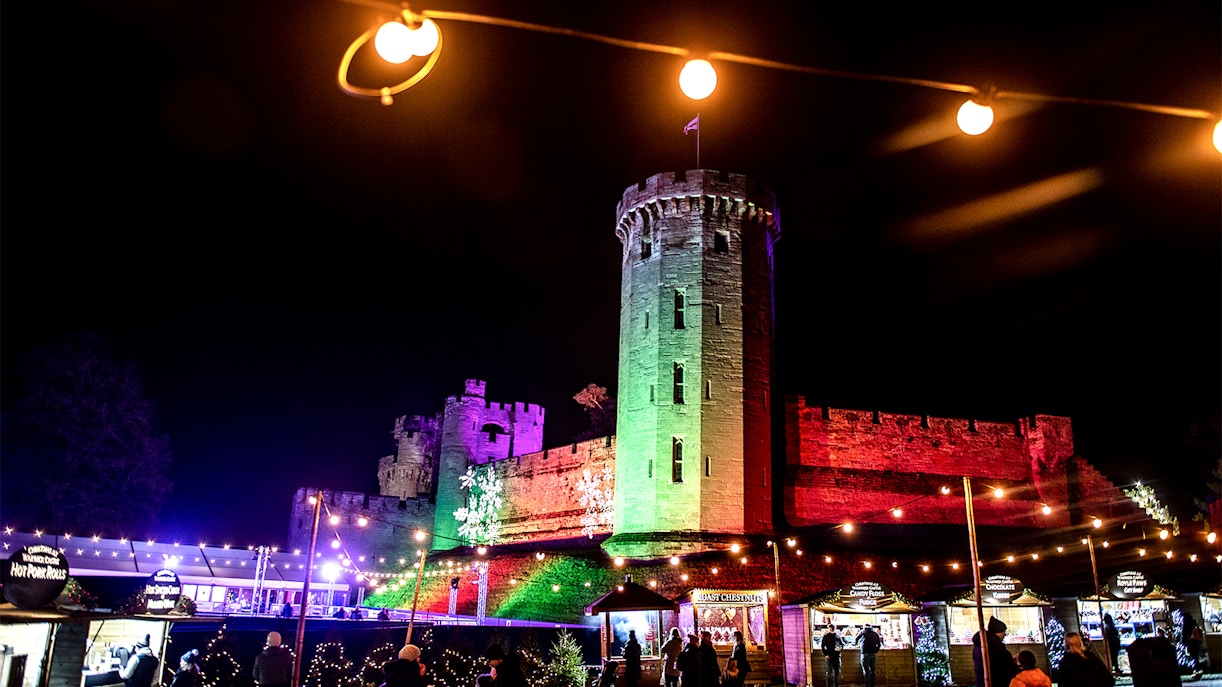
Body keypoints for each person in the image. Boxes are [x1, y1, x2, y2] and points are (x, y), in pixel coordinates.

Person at [972, 617, 1017, 687]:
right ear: (999, 632)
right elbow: (1002, 665)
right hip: (996, 681)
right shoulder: (994, 645)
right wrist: (1013, 662)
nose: (1004, 635)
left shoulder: (980, 643)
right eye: (1004, 632)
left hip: (982, 681)